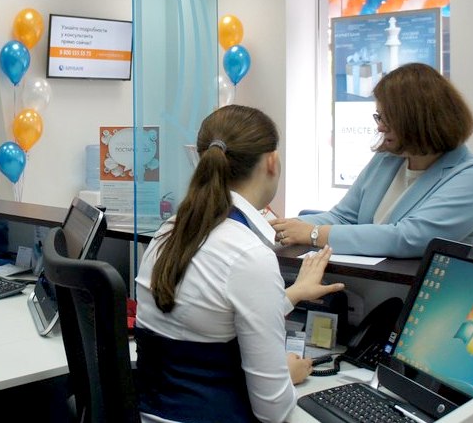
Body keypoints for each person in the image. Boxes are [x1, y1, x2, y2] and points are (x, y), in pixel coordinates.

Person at [134, 105, 345, 422]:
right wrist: (287, 374)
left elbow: (208, 316)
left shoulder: (171, 229)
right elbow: (273, 410)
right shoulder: (248, 254)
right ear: (272, 161)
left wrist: (295, 293)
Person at [271, 63, 473, 258]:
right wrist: (286, 227)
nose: (380, 127)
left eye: (388, 119)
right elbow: (343, 217)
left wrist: (313, 234)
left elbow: (408, 238)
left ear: (418, 121)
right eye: (379, 117)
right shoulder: (388, 158)